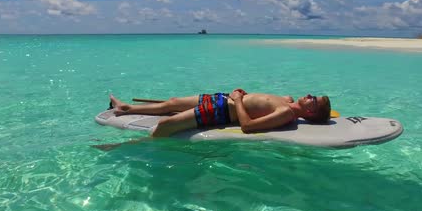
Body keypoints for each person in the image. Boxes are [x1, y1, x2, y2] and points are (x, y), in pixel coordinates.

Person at [108, 88, 331, 138]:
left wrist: (237, 100)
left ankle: (134, 146)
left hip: (223, 109)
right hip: (222, 98)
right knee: (173, 102)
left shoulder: (285, 113)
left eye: (313, 99)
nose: (310, 95)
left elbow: (248, 126)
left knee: (167, 124)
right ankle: (126, 108)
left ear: (311, 111)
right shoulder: (287, 102)